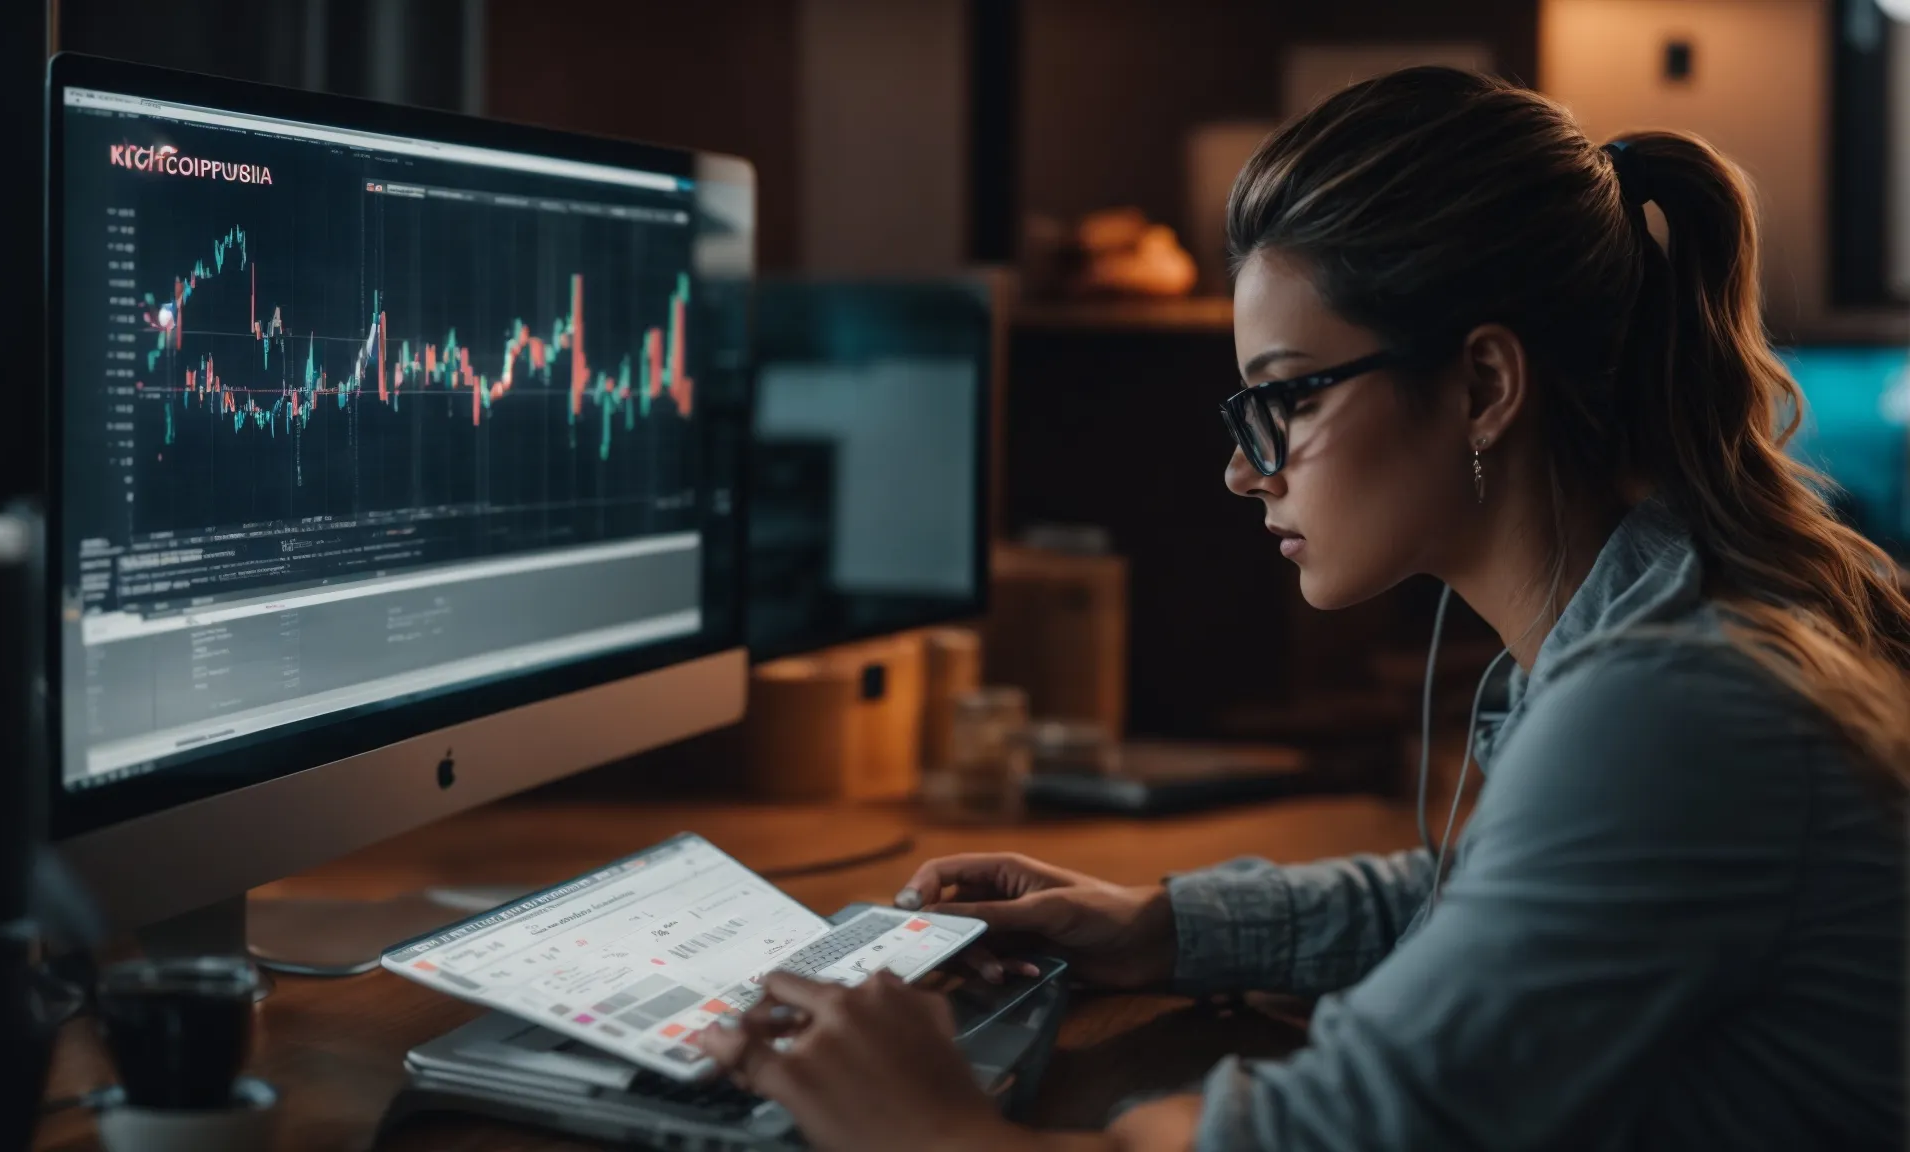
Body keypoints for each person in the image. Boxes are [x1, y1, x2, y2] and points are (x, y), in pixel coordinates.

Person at [702, 66, 1909, 1150]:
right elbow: (1485, 915)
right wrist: (1156, 925)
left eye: (1287, 397)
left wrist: (927, 1129)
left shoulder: (1667, 709)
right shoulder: (1675, 620)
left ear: (1484, 384)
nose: (1244, 468)